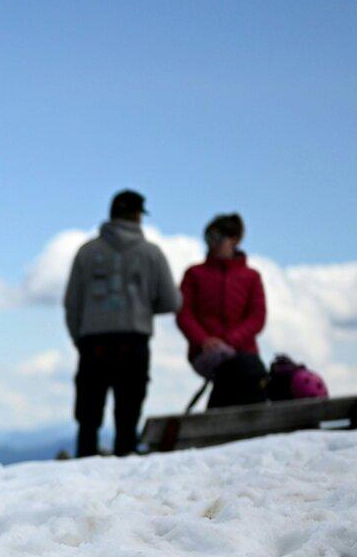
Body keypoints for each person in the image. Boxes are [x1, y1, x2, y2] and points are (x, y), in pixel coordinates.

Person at [63, 189, 181, 457]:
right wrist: (143, 306)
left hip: (93, 342)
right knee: (127, 417)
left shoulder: (86, 252)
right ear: (138, 215)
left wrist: (79, 338)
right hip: (133, 339)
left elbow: (72, 303)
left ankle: (83, 468)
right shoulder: (152, 253)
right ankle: (123, 470)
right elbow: (172, 301)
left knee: (89, 418)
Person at [177, 213, 267, 407]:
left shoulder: (251, 277)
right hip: (204, 352)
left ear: (234, 240)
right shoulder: (194, 274)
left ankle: (219, 422)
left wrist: (229, 341)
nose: (212, 244)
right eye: (208, 238)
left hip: (243, 353)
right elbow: (183, 314)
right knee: (239, 370)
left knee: (243, 371)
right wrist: (204, 341)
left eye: (217, 238)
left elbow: (257, 317)